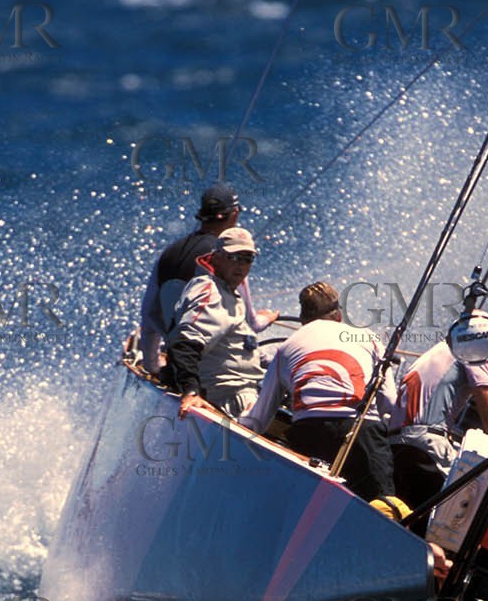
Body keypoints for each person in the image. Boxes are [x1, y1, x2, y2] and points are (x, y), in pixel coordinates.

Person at [237, 282, 395, 501]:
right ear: (338, 315)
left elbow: (259, 418)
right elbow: (389, 402)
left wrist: (239, 423)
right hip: (362, 432)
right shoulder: (367, 337)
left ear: (303, 320)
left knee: (309, 505)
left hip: (309, 434)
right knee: (383, 507)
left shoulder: (285, 348)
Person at [388, 310, 488, 510]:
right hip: (423, 448)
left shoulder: (440, 349)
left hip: (398, 445)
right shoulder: (474, 348)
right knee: (465, 512)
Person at [165, 226, 278, 418]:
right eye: (233, 257)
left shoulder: (230, 295)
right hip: (227, 403)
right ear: (216, 258)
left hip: (245, 397)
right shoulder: (210, 291)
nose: (241, 265)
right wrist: (191, 392)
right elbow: (185, 344)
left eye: (247, 259)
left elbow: (236, 348)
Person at [137, 184, 240, 373]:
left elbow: (149, 314)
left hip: (179, 364)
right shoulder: (230, 256)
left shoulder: (167, 254)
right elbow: (248, 322)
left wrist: (151, 366)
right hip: (219, 371)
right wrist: (265, 319)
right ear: (234, 214)